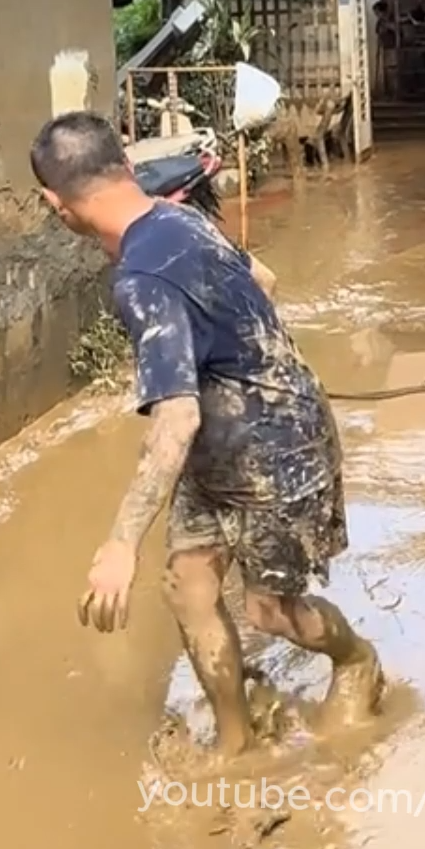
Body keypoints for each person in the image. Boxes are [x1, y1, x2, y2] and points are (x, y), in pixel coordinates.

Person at [29, 112, 382, 755]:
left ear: (56, 204)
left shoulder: (141, 281)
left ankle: (357, 658)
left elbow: (177, 417)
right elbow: (265, 282)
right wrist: (252, 358)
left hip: (278, 453)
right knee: (188, 587)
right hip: (220, 453)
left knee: (268, 612)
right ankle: (234, 740)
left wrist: (119, 544)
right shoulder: (178, 217)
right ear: (127, 168)